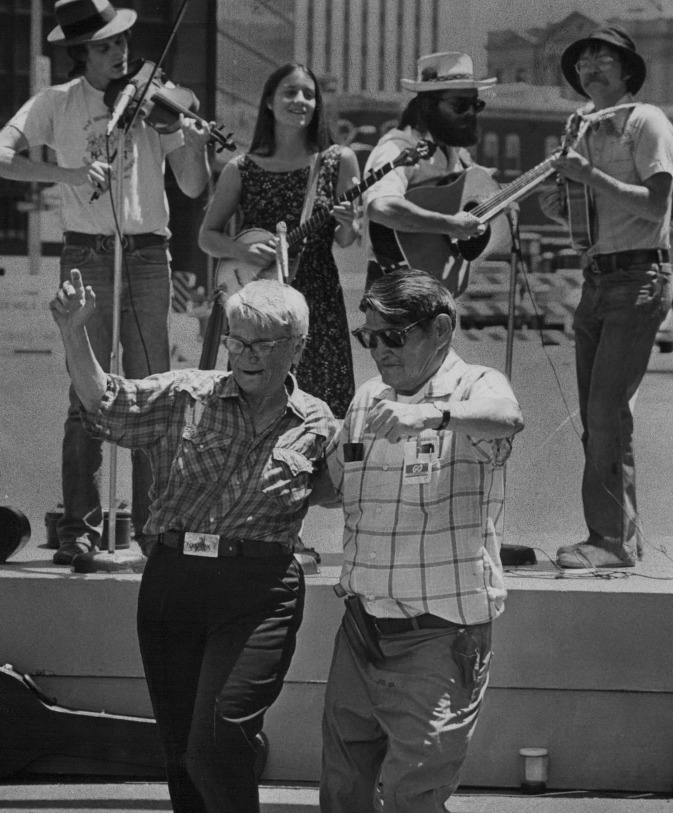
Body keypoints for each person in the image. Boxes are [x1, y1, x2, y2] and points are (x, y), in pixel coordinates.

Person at [49, 268, 339, 813]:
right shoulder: (187, 394)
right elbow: (107, 402)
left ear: (295, 348)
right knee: (188, 752)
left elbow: (336, 496)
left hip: (259, 587)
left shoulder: (318, 421)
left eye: (260, 343)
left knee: (217, 735)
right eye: (235, 339)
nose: (241, 354)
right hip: (175, 582)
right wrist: (73, 331)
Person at [318, 269, 524, 813]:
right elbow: (337, 483)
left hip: (440, 635)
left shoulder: (475, 387)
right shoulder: (367, 397)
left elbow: (506, 421)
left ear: (440, 328)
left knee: (411, 798)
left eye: (393, 335)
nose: (379, 350)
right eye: (369, 336)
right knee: (343, 793)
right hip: (364, 625)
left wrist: (433, 420)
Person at [0, 0, 212, 564]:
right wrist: (65, 173)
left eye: (121, 42)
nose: (119, 53)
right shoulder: (58, 103)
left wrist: (191, 141)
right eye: (104, 46)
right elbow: (3, 155)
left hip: (146, 254)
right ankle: (79, 529)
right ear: (80, 52)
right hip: (86, 250)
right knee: (83, 395)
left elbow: (191, 187)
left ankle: (154, 526)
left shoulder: (154, 99)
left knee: (152, 391)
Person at [539, 26, 673, 569]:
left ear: (627, 71)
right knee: (603, 417)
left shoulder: (647, 120)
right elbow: (579, 208)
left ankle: (609, 541)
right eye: (583, 60)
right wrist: (562, 195)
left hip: (639, 277)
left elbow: (656, 206)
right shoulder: (577, 127)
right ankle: (623, 536)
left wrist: (588, 175)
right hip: (597, 280)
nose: (591, 67)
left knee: (604, 410)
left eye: (603, 58)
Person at [198, 62, 360, 418]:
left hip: (319, 298)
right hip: (258, 304)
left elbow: (346, 239)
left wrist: (349, 223)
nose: (300, 100)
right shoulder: (242, 168)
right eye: (290, 92)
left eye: (309, 94)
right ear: (269, 102)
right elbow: (207, 237)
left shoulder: (339, 160)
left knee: (323, 406)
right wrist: (241, 250)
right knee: (255, 406)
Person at [361, 51, 492, 289]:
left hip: (438, 287)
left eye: (476, 104)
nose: (471, 113)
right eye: (460, 105)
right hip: (395, 290)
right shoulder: (397, 148)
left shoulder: (457, 155)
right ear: (427, 105)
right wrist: (452, 225)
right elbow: (382, 207)